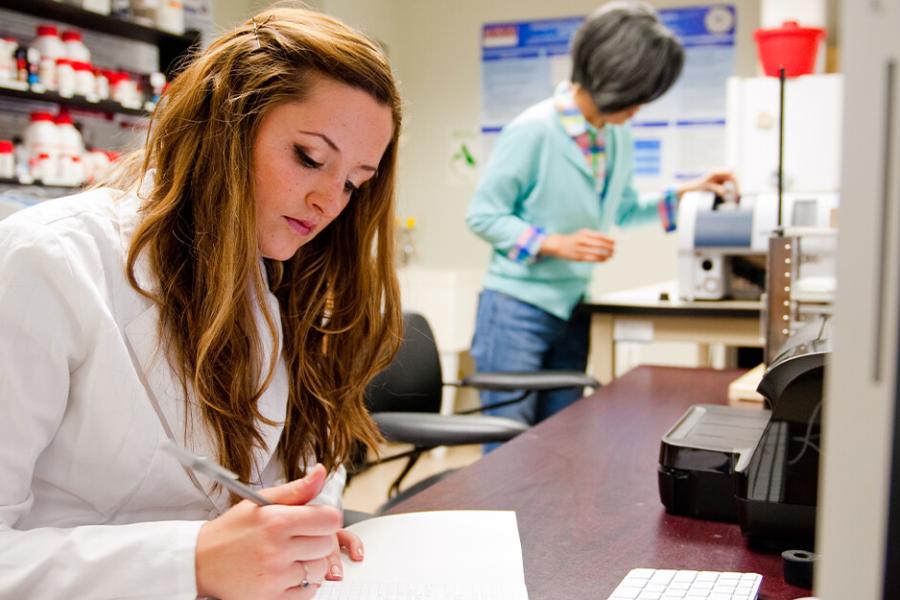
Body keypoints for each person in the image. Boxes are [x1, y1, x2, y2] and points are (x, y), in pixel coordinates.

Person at [0, 8, 402, 599]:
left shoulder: (273, 278)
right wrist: (189, 561)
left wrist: (296, 527)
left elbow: (286, 468)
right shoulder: (48, 262)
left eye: (353, 182)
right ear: (224, 124)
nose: (328, 202)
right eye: (310, 158)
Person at [466, 1, 738, 439]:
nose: (641, 107)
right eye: (639, 94)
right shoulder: (534, 129)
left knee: (560, 440)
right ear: (613, 76)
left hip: (574, 305)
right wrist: (555, 243)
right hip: (514, 310)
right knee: (505, 442)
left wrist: (686, 193)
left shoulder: (617, 136)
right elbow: (483, 214)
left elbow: (624, 209)